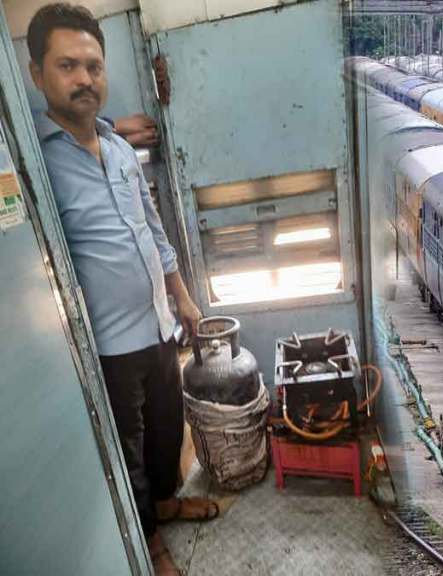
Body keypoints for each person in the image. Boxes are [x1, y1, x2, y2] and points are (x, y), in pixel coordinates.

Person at [27, 4, 217, 574]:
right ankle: (148, 539)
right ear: (38, 75)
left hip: (158, 325)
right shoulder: (36, 164)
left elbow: (153, 231)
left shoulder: (117, 150)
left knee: (167, 427)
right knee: (127, 450)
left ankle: (164, 501)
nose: (85, 79)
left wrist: (181, 296)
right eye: (68, 66)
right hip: (107, 346)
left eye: (93, 65)